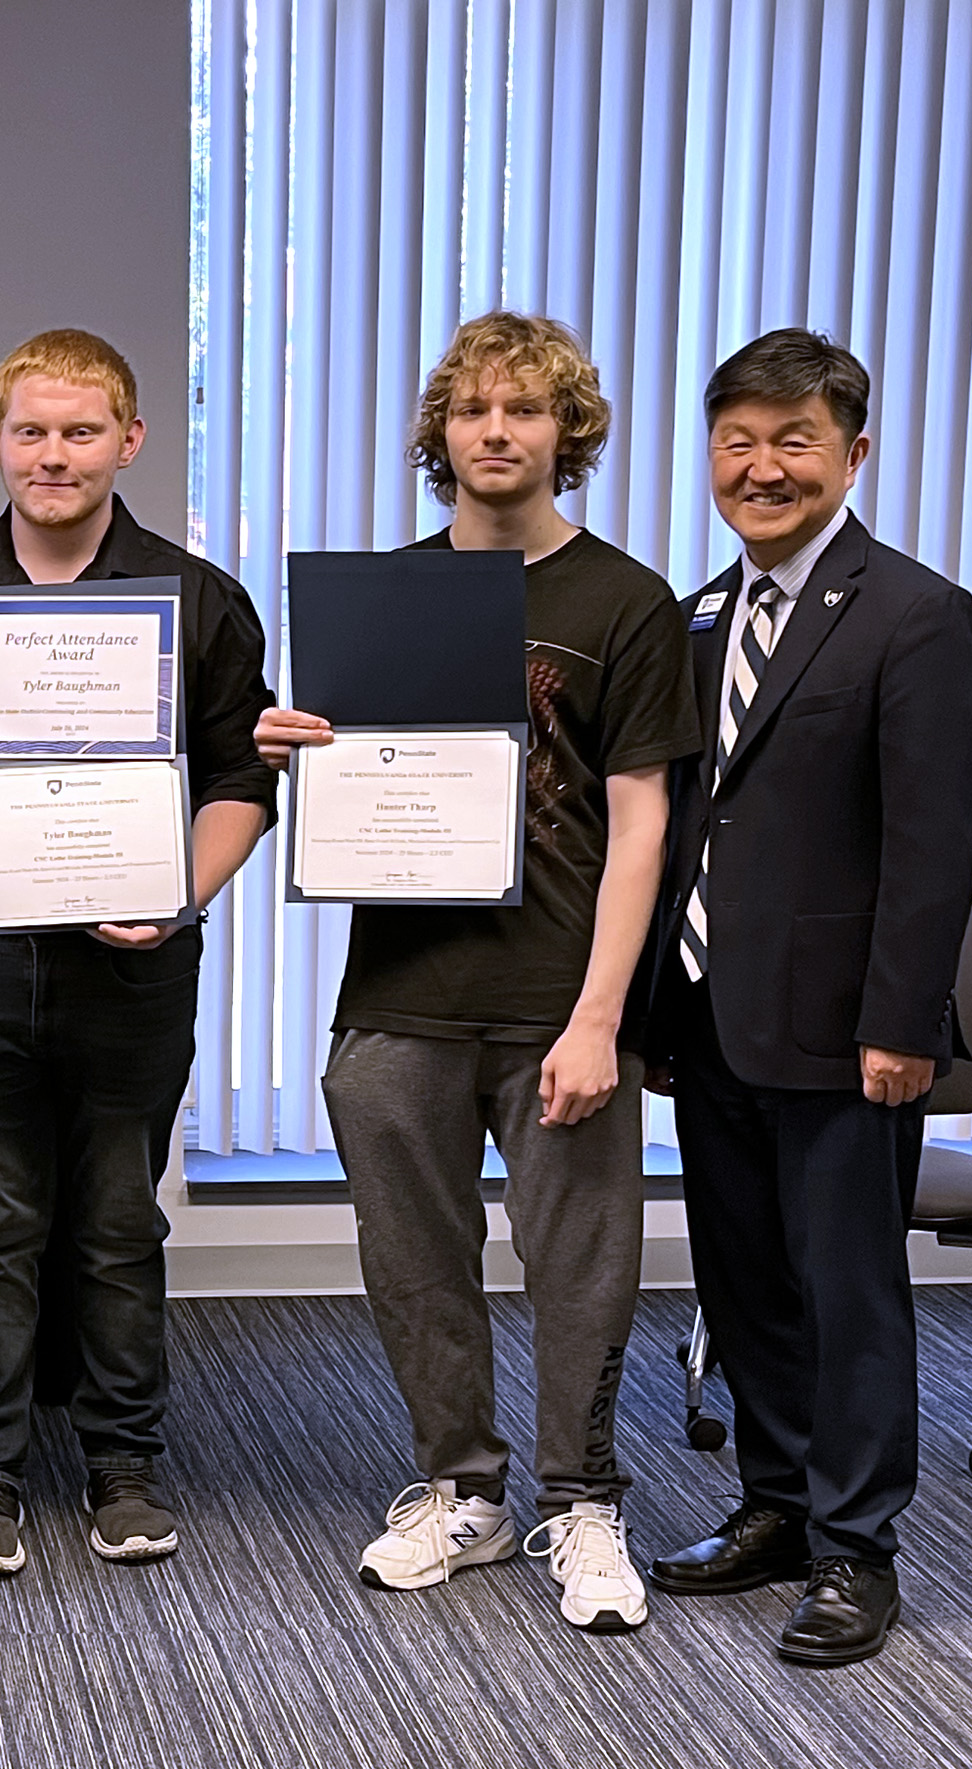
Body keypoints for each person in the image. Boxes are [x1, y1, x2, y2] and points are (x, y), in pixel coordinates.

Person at [256, 313, 697, 1634]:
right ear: (439, 434)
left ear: (571, 432)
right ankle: (464, 1488)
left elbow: (643, 826)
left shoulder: (626, 601)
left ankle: (586, 1502)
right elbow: (353, 786)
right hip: (399, 993)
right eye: (470, 409)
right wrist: (297, 753)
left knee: (581, 1261)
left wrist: (602, 1018)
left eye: (523, 409)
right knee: (412, 1254)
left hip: (563, 997)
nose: (494, 432)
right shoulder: (383, 595)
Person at [0, 329, 275, 1577]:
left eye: (81, 431)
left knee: (113, 1223)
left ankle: (123, 1462)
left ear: (128, 441)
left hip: (134, 960)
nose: (54, 455)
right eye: (31, 432)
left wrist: (176, 896)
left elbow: (243, 781)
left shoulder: (196, 599)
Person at [640, 329, 972, 1666]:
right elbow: (681, 825)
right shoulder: (698, 617)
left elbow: (931, 841)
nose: (762, 466)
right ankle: (775, 1507)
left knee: (849, 1296)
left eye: (794, 441)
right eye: (739, 440)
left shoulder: (916, 613)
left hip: (851, 1035)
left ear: (854, 454)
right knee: (748, 1286)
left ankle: (857, 1551)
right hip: (714, 1017)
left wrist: (904, 1021)